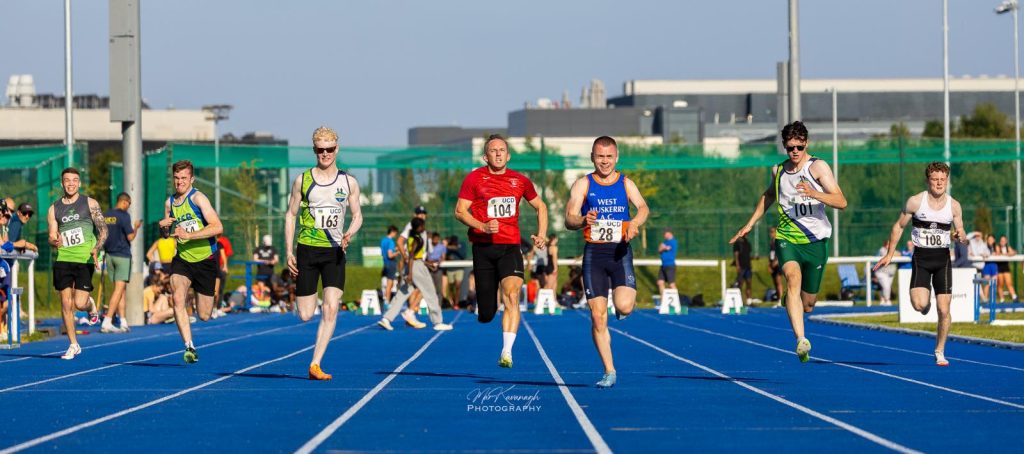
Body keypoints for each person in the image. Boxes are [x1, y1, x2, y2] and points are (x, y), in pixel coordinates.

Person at [730, 121, 847, 363]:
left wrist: (814, 193)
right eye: (790, 147)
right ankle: (801, 340)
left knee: (808, 305)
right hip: (787, 238)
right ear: (784, 145)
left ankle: (791, 301)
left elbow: (841, 201)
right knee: (792, 278)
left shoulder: (818, 167)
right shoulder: (778, 171)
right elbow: (769, 196)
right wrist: (749, 224)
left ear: (806, 144)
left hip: (816, 240)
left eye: (799, 147)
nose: (795, 152)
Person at [455, 134, 548, 369]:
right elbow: (460, 211)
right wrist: (482, 226)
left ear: (508, 155)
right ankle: (485, 309)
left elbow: (541, 206)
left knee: (512, 296)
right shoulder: (474, 178)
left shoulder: (520, 181)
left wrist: (542, 233)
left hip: (510, 247)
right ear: (485, 156)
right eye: (493, 151)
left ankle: (506, 351)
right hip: (483, 248)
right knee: (487, 313)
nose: (498, 154)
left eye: (502, 150)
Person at [564, 135, 649, 388]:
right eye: (600, 156)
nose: (604, 161)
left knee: (623, 307)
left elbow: (643, 207)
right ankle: (609, 371)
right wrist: (582, 220)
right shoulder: (582, 185)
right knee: (598, 317)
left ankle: (622, 306)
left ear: (616, 157)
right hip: (595, 255)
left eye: (609, 156)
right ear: (592, 157)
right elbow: (569, 218)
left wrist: (634, 222)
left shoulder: (626, 183)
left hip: (620, 253)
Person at [284, 126, 363, 380]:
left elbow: (358, 214)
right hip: (307, 250)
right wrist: (288, 250)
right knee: (306, 314)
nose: (325, 154)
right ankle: (310, 302)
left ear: (336, 149)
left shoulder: (348, 182)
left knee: (331, 308)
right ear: (314, 150)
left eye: (330, 149)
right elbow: (291, 215)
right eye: (321, 150)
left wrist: (350, 232)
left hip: (335, 251)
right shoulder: (302, 180)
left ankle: (315, 364)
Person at [873, 162, 967, 367]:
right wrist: (889, 254)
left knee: (944, 309)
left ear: (947, 181)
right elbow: (898, 226)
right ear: (928, 180)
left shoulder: (954, 206)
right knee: (919, 305)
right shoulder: (916, 202)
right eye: (935, 179)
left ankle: (940, 351)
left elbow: (961, 231)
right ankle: (926, 305)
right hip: (921, 260)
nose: (939, 183)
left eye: (943, 179)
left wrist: (961, 236)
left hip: (942, 260)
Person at [158, 160, 224, 364]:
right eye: (177, 178)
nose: (180, 182)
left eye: (184, 178)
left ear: (191, 179)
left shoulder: (198, 198)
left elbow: (217, 227)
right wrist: (163, 228)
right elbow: (168, 234)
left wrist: (191, 235)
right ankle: (189, 346)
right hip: (183, 260)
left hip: (205, 260)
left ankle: (201, 298)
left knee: (204, 315)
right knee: (178, 297)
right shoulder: (170, 203)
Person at [48, 167, 108, 360]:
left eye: (75, 180)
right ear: (62, 183)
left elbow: (103, 230)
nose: (71, 183)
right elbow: (51, 234)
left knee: (79, 303)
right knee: (66, 304)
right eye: (67, 180)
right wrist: (54, 240)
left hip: (84, 259)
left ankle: (90, 306)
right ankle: (73, 344)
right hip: (64, 258)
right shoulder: (54, 208)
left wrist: (96, 248)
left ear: (79, 183)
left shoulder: (90, 203)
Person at [378, 218, 452, 331]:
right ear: (418, 227)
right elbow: (412, 257)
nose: (424, 227)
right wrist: (411, 274)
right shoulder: (417, 238)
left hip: (414, 265)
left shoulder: (412, 237)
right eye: (423, 226)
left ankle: (387, 318)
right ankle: (438, 322)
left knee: (403, 293)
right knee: (430, 293)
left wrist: (428, 263)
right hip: (416, 268)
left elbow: (415, 257)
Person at [100, 192, 143, 333]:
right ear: (125, 202)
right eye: (129, 204)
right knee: (119, 290)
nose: (129, 207)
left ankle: (123, 321)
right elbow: (130, 236)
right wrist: (136, 227)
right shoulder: (124, 216)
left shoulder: (106, 215)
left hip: (109, 255)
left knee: (120, 290)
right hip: (122, 255)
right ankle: (107, 321)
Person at [995, 235, 1018, 303]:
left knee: (1009, 283)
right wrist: (1007, 254)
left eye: (1004, 240)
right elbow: (998, 253)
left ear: (1006, 241)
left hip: (1006, 267)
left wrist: (1010, 253)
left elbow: (1014, 252)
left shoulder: (1008, 247)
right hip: (999, 267)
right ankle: (1002, 299)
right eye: (1001, 240)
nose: (1003, 242)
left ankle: (1014, 297)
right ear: (1000, 241)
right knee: (1000, 284)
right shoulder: (997, 246)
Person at [445, 235, 467, 307]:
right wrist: (448, 257)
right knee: (451, 286)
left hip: (459, 268)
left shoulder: (462, 245)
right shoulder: (447, 247)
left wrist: (455, 249)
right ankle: (452, 300)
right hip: (450, 269)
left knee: (458, 285)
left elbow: (463, 256)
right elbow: (444, 256)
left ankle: (456, 303)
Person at [425, 232, 446, 305]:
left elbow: (443, 257)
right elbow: (426, 258)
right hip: (429, 268)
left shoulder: (442, 247)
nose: (436, 241)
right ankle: (430, 304)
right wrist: (430, 265)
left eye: (437, 239)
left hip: (438, 269)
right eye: (434, 239)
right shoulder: (427, 246)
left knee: (439, 288)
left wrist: (437, 264)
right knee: (430, 287)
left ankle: (439, 305)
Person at [873, 240, 896, 306]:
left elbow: (899, 254)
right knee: (886, 287)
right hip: (881, 272)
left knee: (885, 287)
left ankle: (882, 299)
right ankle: (887, 300)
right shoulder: (882, 250)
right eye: (889, 244)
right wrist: (895, 254)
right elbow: (888, 256)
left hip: (890, 273)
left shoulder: (893, 250)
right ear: (885, 245)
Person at [380, 225, 399, 305]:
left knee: (387, 283)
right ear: (393, 232)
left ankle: (386, 300)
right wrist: (398, 252)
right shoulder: (391, 241)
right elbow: (390, 255)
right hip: (391, 263)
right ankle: (387, 301)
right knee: (390, 283)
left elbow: (387, 250)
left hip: (385, 263)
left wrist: (396, 249)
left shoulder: (383, 240)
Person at [732, 233, 752, 304]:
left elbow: (748, 254)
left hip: (748, 266)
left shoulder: (747, 243)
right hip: (741, 266)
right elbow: (736, 255)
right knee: (740, 283)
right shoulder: (737, 243)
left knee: (749, 282)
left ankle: (749, 300)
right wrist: (737, 265)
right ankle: (739, 300)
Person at [657, 228, 677, 295]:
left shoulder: (673, 241)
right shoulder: (665, 242)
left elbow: (667, 248)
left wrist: (663, 247)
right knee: (660, 282)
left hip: (670, 265)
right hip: (663, 265)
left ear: (669, 233)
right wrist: (663, 247)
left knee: (671, 284)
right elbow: (659, 250)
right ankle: (663, 302)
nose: (664, 235)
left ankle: (676, 302)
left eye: (665, 234)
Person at [767, 227, 784, 302]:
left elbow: (780, 253)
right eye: (770, 232)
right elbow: (771, 254)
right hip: (772, 264)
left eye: (773, 232)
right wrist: (769, 264)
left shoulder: (779, 241)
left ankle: (781, 298)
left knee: (778, 281)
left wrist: (776, 262)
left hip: (778, 264)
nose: (771, 233)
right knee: (775, 281)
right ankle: (778, 297)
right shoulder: (771, 242)